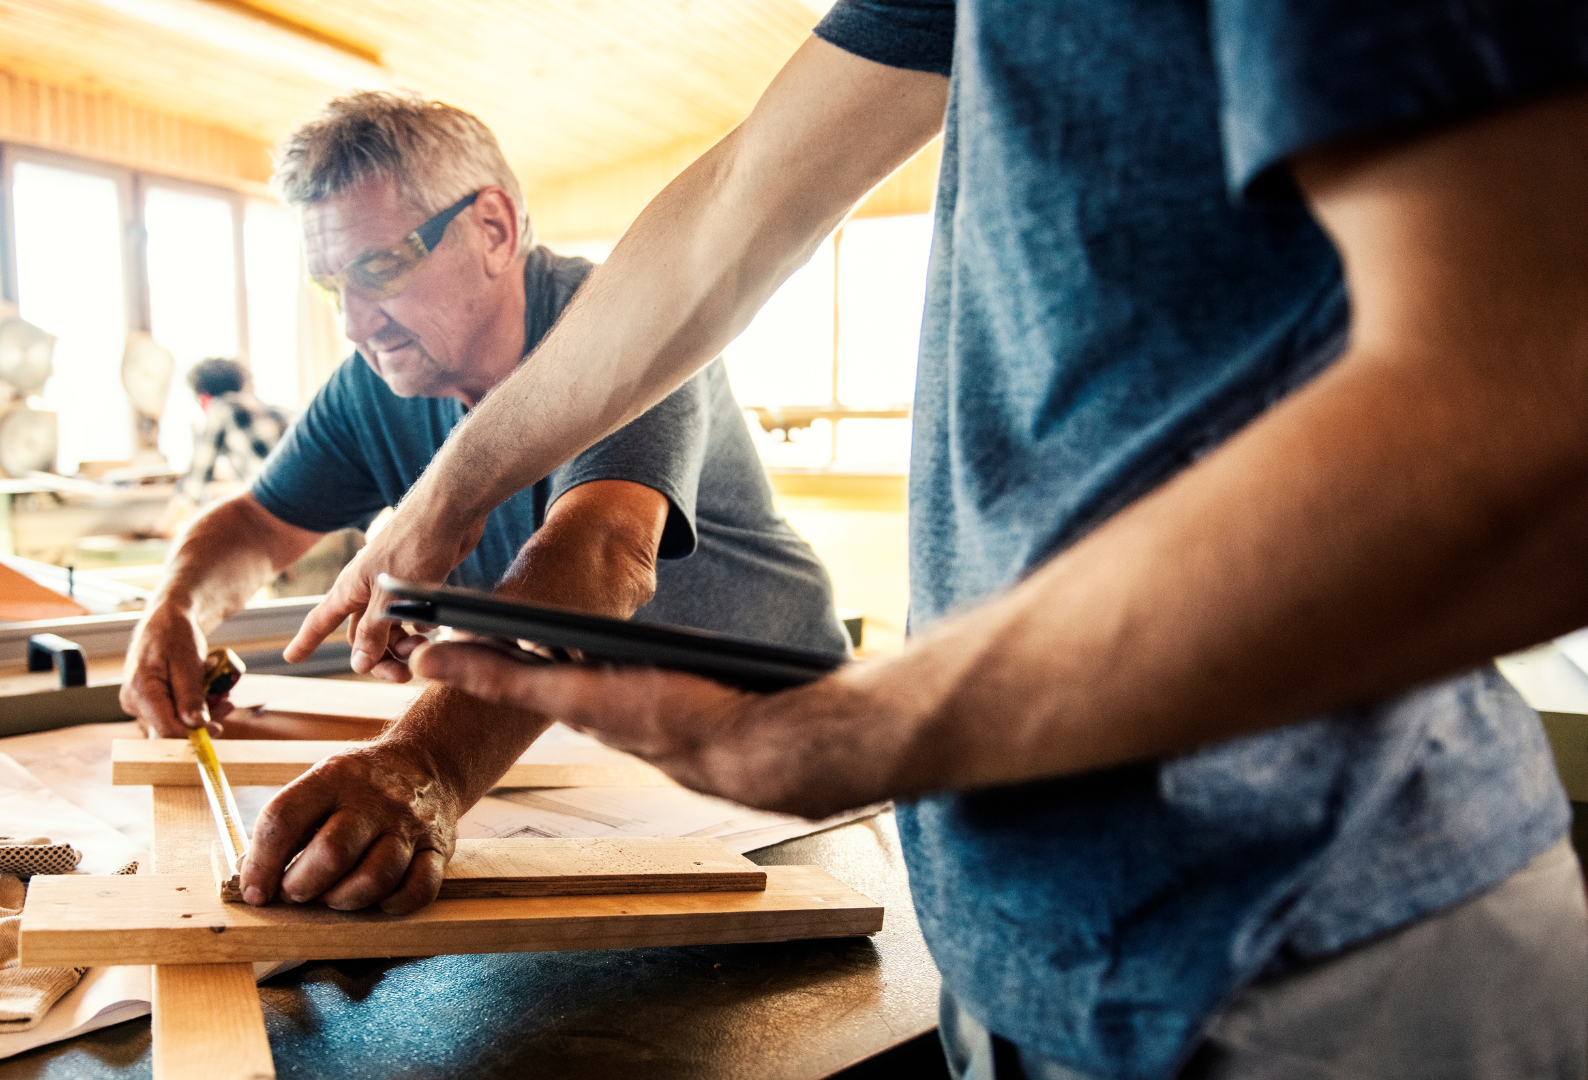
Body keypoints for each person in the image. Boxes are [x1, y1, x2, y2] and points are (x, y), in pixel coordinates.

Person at [263, 4, 1588, 1079]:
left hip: (1322, 956)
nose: (365, 316)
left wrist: (866, 730)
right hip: (1022, 951)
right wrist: (450, 486)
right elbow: (735, 209)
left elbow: (1536, 419)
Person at [122, 91, 851, 915]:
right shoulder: (376, 382)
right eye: (333, 288)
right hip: (604, 752)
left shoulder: (627, 325)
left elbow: (605, 554)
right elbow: (258, 522)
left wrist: (424, 765)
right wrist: (178, 605)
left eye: (380, 269)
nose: (357, 324)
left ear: (494, 229)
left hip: (797, 757)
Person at [173, 357, 292, 505]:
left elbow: (192, 488)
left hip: (277, 508)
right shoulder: (279, 412)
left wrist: (163, 525)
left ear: (203, 398)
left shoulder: (221, 409)